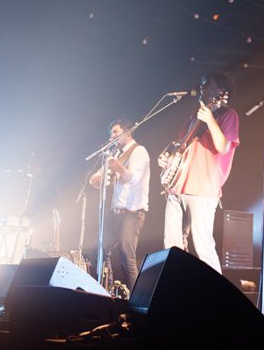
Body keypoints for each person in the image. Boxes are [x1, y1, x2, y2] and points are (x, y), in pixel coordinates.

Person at [158, 71, 240, 274]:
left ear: (221, 91)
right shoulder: (195, 115)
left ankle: (215, 292)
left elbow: (223, 147)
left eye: (207, 84)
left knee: (203, 247)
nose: (202, 87)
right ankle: (176, 287)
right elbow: (180, 143)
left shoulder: (228, 115)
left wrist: (210, 120)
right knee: (171, 247)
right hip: (177, 187)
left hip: (203, 191)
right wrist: (167, 156)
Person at [89, 118, 151, 291]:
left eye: (116, 132)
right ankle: (106, 291)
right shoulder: (116, 154)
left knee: (126, 257)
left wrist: (117, 167)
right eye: (111, 133)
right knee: (99, 250)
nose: (112, 137)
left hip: (132, 213)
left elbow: (133, 178)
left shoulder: (139, 151)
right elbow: (98, 176)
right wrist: (96, 179)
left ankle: (134, 298)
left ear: (128, 132)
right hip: (115, 212)